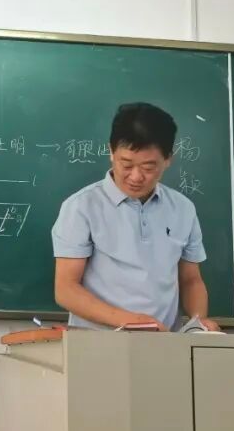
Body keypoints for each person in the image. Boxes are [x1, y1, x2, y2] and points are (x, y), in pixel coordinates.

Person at [51, 102, 216, 332]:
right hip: (97, 343)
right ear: (111, 151)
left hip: (163, 342)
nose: (136, 177)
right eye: (126, 164)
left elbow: (191, 280)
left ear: (168, 159)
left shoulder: (183, 209)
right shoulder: (81, 207)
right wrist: (131, 321)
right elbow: (66, 289)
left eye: (148, 167)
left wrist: (198, 322)